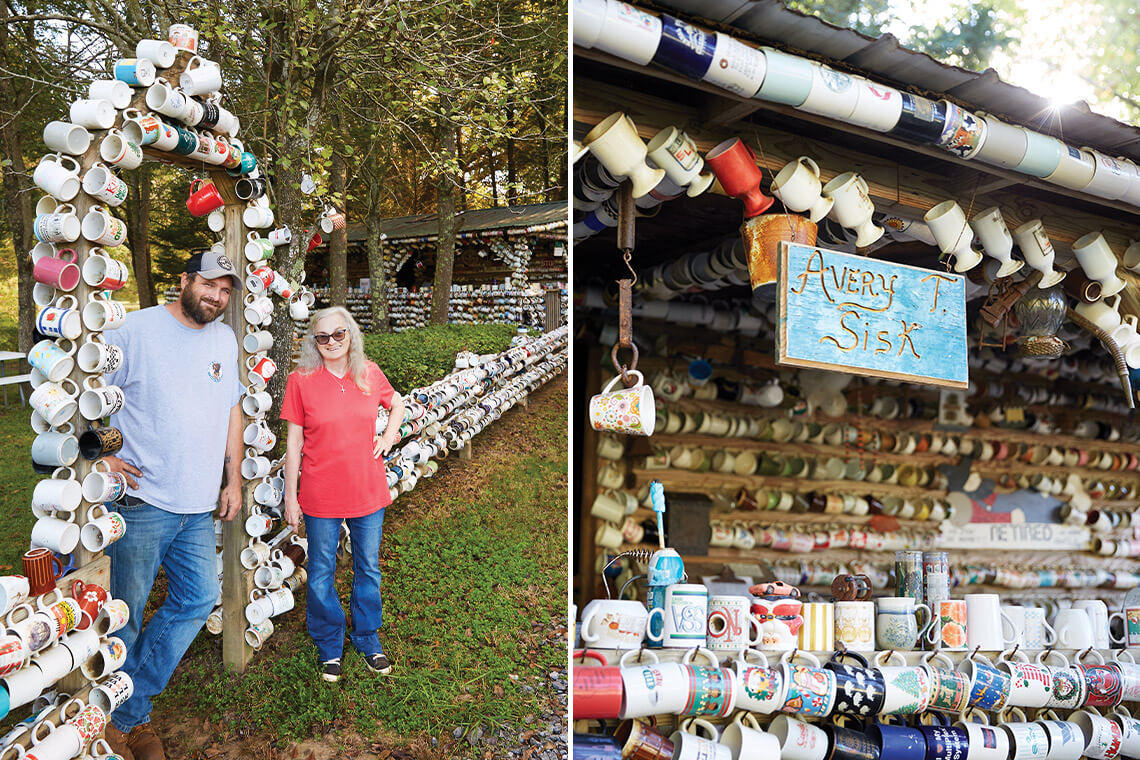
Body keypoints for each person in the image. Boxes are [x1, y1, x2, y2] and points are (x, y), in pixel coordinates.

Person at [101, 251, 244, 760]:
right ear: (184, 280)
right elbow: (86, 392)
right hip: (142, 502)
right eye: (209, 284)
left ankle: (126, 709)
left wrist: (234, 479)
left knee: (198, 599)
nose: (217, 297)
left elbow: (231, 408)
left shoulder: (224, 339)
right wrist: (103, 453)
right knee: (125, 617)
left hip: (198, 504)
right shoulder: (133, 331)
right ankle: (115, 721)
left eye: (226, 291)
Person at [281, 306, 404, 682]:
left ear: (351, 335)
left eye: (339, 334)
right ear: (313, 342)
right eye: (323, 337)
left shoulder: (368, 373)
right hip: (321, 491)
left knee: (368, 567)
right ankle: (329, 641)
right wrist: (290, 497)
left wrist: (388, 436)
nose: (332, 342)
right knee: (321, 570)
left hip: (367, 487)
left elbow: (396, 403)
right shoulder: (300, 380)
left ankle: (367, 636)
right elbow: (294, 441)